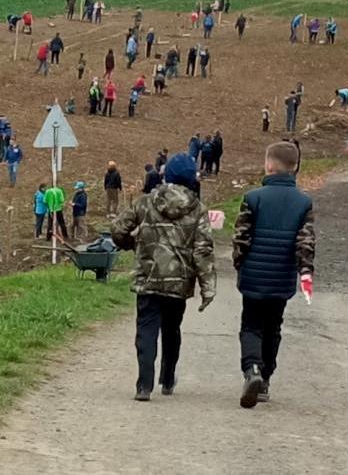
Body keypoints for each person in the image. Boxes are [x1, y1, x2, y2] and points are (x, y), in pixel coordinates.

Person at [111, 154, 216, 401]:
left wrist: (132, 243)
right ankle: (167, 379)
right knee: (172, 329)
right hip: (178, 283)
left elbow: (117, 228)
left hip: (148, 278)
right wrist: (207, 286)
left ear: (165, 175)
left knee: (146, 330)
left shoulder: (145, 202)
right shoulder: (198, 210)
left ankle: (143, 385)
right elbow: (203, 250)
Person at [233, 141, 317, 409]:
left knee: (251, 326)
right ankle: (266, 379)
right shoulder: (304, 202)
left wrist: (240, 263)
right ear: (294, 168)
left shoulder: (253, 198)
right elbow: (306, 242)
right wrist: (304, 271)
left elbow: (241, 238)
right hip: (281, 277)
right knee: (273, 327)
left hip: (254, 276)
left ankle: (252, 369)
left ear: (269, 165)